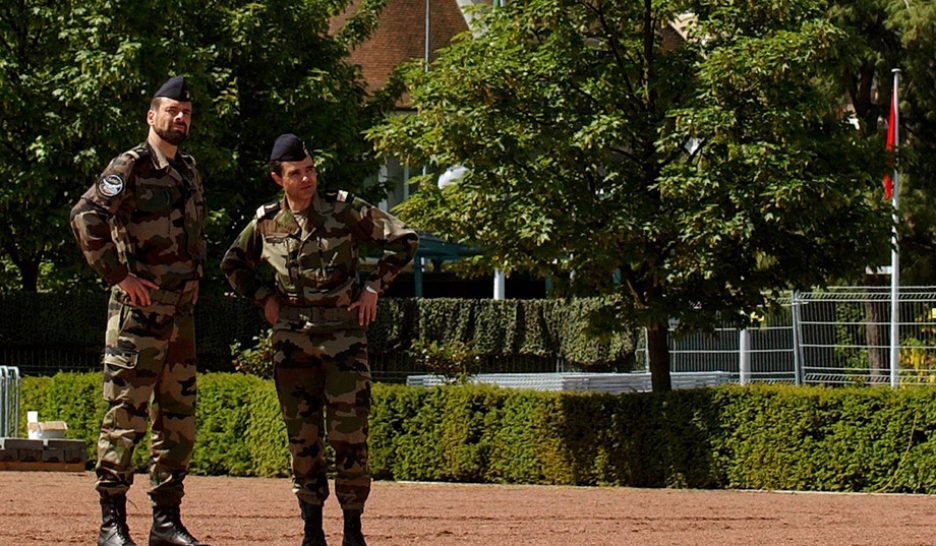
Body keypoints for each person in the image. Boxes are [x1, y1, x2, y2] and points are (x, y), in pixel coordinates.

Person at [221, 134, 418, 546]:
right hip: (292, 343)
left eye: (310, 169)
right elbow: (232, 264)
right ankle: (312, 530)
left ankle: (352, 529)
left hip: (344, 340)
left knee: (350, 437)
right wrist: (263, 298)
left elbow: (403, 239)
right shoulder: (267, 222)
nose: (307, 178)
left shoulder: (344, 210)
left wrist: (374, 287)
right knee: (302, 439)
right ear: (279, 178)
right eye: (297, 173)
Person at [70, 76, 207, 546]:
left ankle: (166, 523)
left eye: (186, 111)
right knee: (125, 418)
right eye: (172, 110)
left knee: (178, 423)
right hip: (137, 316)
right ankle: (113, 524)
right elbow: (86, 215)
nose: (180, 118)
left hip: (180, 319)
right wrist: (118, 275)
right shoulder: (128, 166)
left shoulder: (188, 169)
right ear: (152, 116)